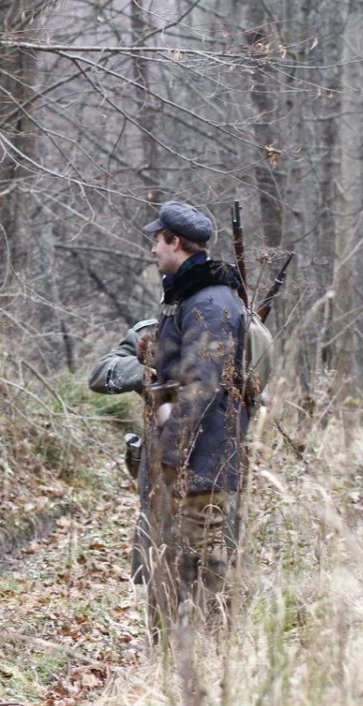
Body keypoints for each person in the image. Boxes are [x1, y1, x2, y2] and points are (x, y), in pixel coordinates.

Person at [140, 201, 248, 631]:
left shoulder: (208, 301)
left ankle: (215, 651)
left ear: (176, 243)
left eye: (157, 240)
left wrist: (170, 453)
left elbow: (203, 385)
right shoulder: (190, 295)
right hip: (191, 453)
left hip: (201, 458)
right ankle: (175, 648)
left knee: (204, 557)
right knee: (177, 554)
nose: (152, 249)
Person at [87, 318, 157, 585]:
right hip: (160, 463)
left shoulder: (234, 326)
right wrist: (148, 367)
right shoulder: (152, 331)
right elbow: (100, 374)